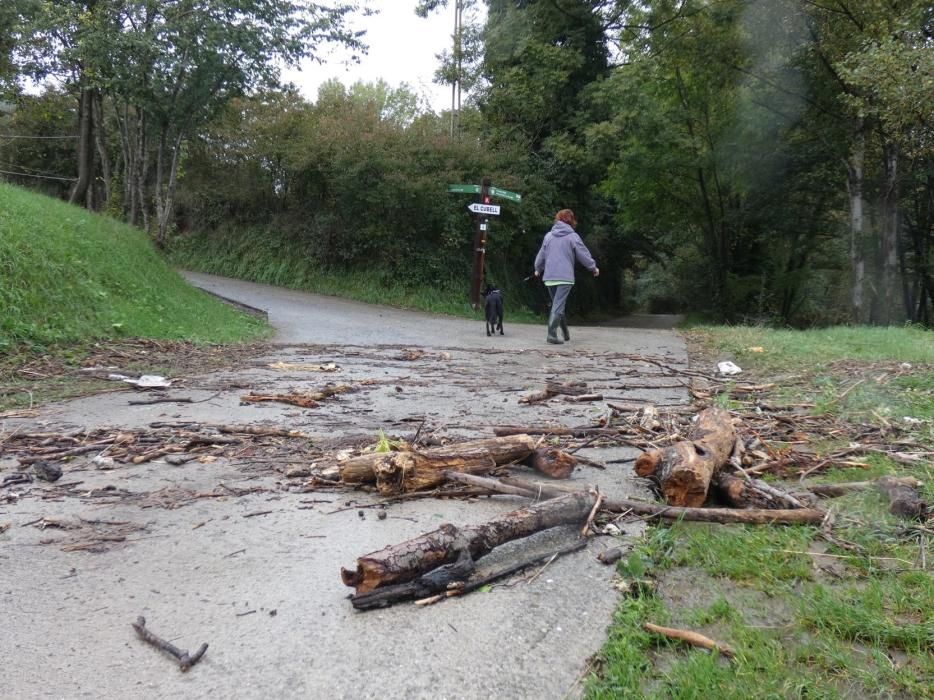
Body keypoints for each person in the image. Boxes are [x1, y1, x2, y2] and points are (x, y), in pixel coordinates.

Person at [533, 209, 599, 344]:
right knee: (558, 305)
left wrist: (537, 268)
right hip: (564, 277)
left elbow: (541, 254)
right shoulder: (573, 236)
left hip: (550, 277)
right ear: (571, 221)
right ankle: (551, 334)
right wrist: (593, 267)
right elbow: (583, 254)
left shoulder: (548, 236)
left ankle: (565, 332)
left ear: (557, 219)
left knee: (557, 305)